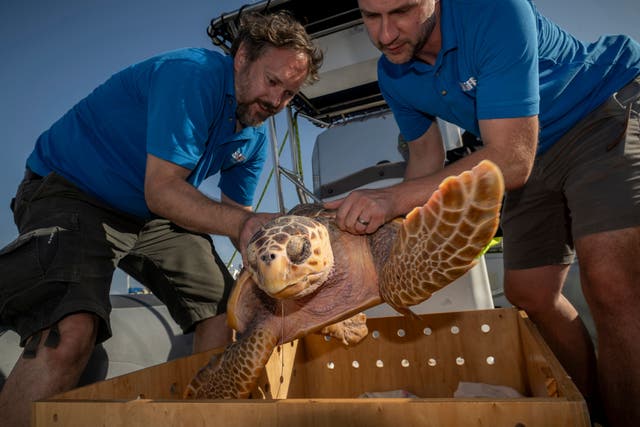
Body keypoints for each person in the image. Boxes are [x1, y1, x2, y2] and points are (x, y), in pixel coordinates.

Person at [0, 11, 322, 427]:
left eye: (289, 94)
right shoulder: (193, 76)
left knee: (226, 311)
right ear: (241, 57)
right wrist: (243, 226)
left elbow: (241, 218)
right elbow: (165, 189)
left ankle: (201, 418)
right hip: (73, 191)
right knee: (71, 333)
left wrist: (277, 277)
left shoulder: (254, 131)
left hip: (148, 213)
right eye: (272, 82)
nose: (276, 102)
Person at [326, 0, 640, 425]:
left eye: (400, 12)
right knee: (529, 293)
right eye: (369, 16)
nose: (384, 35)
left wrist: (389, 200)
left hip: (598, 109)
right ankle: (588, 411)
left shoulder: (495, 9)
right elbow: (425, 159)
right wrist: (382, 242)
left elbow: (510, 160)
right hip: (529, 152)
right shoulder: (392, 74)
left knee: (611, 280)